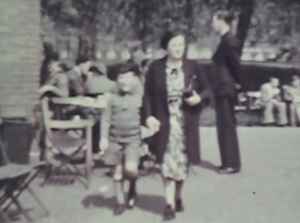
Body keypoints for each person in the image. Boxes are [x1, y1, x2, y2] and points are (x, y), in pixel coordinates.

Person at [143, 30, 210, 220]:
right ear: (166, 47)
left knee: (182, 165)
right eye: (174, 45)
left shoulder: (193, 66)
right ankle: (169, 204)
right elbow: (147, 95)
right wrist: (148, 116)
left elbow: (207, 90)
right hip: (164, 123)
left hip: (185, 122)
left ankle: (178, 195)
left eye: (181, 44)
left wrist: (199, 98)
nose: (179, 48)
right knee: (166, 162)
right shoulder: (155, 68)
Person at [99, 62, 144, 215]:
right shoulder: (111, 97)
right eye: (121, 78)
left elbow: (146, 115)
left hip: (133, 139)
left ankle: (132, 187)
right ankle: (120, 202)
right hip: (114, 140)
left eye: (128, 77)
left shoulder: (139, 95)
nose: (124, 81)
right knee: (117, 173)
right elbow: (105, 119)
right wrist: (103, 138)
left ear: (134, 79)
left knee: (131, 170)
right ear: (116, 79)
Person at [211, 10, 242, 174]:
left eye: (213, 20)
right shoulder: (225, 40)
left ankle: (231, 164)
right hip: (222, 88)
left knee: (227, 126)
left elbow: (236, 66)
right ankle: (228, 162)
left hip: (226, 88)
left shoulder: (229, 41)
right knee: (223, 126)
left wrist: (238, 84)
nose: (211, 24)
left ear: (221, 21)